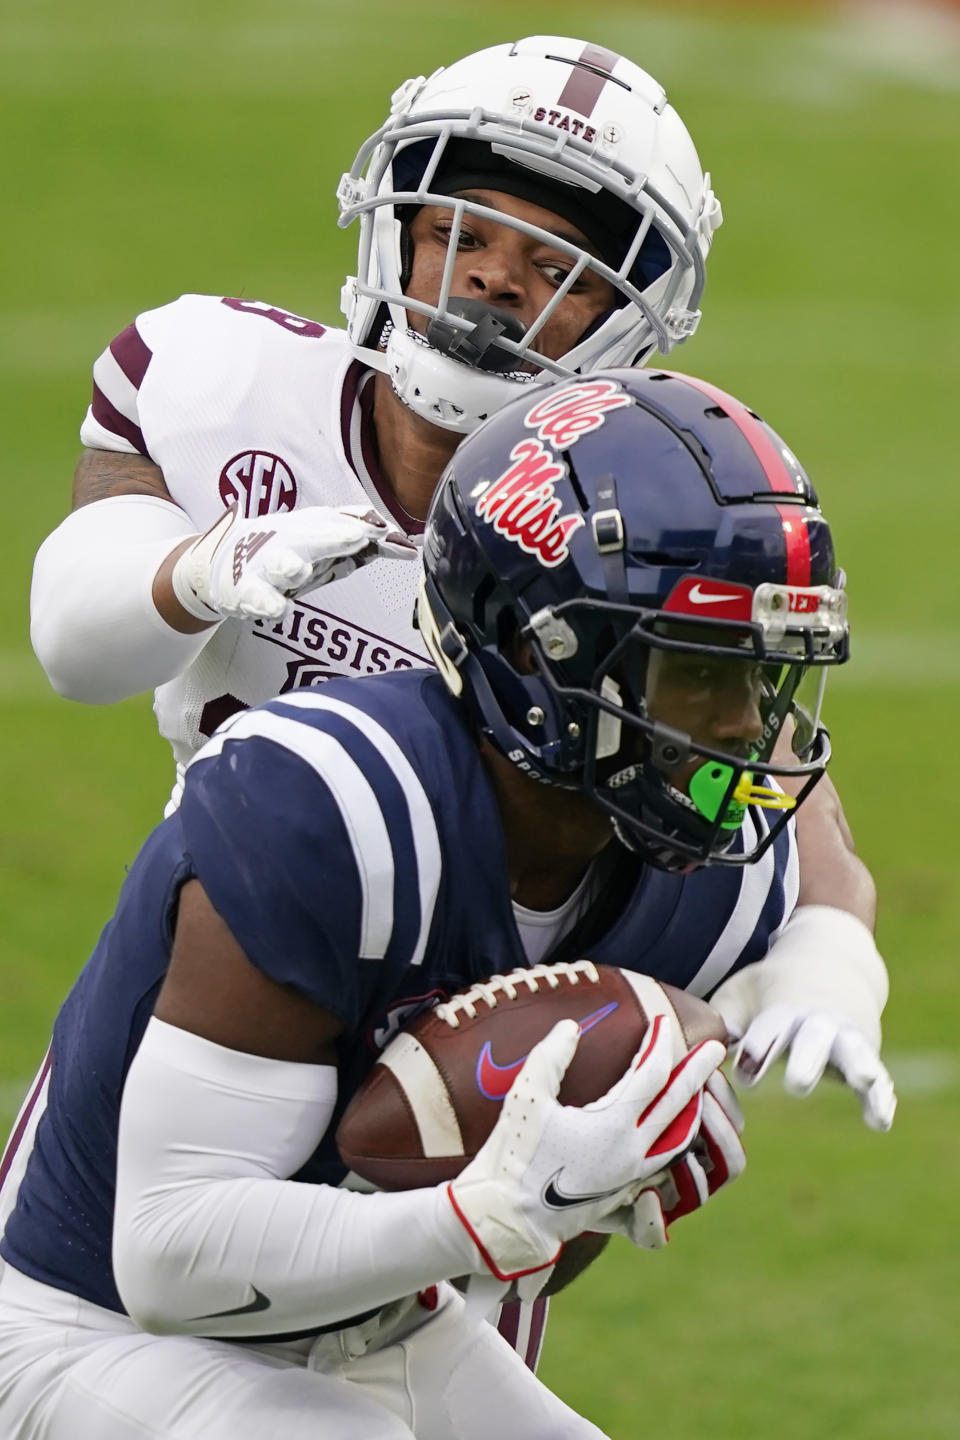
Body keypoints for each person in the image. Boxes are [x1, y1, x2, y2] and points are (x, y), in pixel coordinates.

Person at [26, 32, 894, 1360]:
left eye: (556, 267)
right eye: (462, 230)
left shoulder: (644, 499)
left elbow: (765, 779)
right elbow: (77, 646)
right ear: (394, 224)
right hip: (245, 984)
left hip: (480, 1048)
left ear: (629, 315)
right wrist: (201, 569)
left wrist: (832, 957)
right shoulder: (223, 384)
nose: (493, 280)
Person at [0, 368, 885, 1439]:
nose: (747, 728)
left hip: (366, 1325)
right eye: (699, 670)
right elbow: (168, 1256)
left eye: (761, 668)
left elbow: (531, 1262)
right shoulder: (329, 805)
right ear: (539, 655)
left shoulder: (707, 872)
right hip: (89, 1326)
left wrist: (602, 1173)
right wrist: (479, 1214)